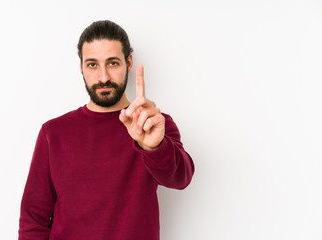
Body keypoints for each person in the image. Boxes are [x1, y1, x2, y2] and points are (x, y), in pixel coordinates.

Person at [18, 20, 195, 240]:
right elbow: (33, 218)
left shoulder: (153, 124)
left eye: (112, 63)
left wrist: (154, 147)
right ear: (81, 67)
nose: (103, 77)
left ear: (128, 63)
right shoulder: (53, 132)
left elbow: (181, 179)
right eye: (92, 64)